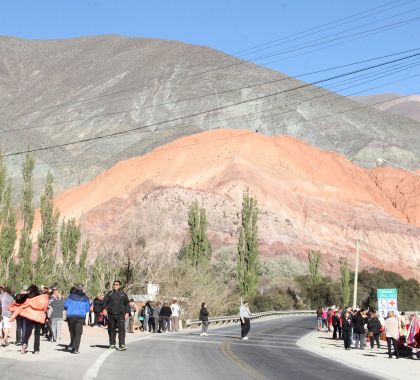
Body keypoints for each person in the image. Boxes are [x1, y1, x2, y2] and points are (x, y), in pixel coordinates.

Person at [9, 285, 49, 355]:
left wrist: (13, 316)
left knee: (28, 332)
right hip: (38, 317)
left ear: (30, 290)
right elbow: (45, 308)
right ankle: (36, 350)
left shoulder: (28, 298)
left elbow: (20, 306)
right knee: (37, 334)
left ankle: (24, 344)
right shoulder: (42, 298)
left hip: (29, 316)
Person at [102, 280, 130, 351]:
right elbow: (104, 302)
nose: (115, 285)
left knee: (121, 330)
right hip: (111, 315)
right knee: (111, 330)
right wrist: (104, 309)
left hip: (121, 315)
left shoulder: (123, 294)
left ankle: (122, 345)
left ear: (120, 286)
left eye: (117, 284)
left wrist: (127, 313)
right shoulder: (110, 293)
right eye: (114, 284)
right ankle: (112, 344)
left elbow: (127, 304)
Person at [64, 285, 90, 354]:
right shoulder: (86, 298)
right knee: (78, 333)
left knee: (72, 332)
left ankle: (72, 345)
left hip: (71, 316)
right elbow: (88, 309)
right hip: (80, 316)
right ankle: (76, 349)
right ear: (82, 289)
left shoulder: (71, 296)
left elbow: (65, 305)